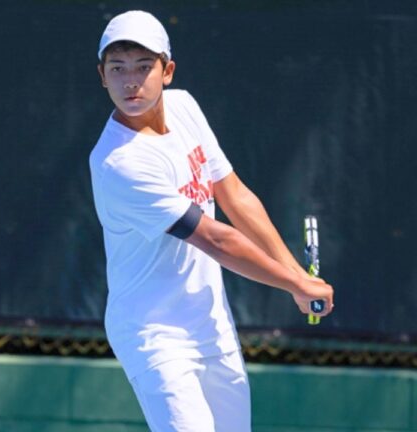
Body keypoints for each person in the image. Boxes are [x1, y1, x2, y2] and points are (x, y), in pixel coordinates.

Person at [88, 10, 334, 432]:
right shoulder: (120, 163)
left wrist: (298, 275)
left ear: (167, 71)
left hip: (212, 323)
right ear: (102, 76)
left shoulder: (184, 107)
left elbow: (234, 194)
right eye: (118, 69)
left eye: (143, 67)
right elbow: (215, 239)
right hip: (154, 334)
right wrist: (295, 285)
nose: (130, 81)